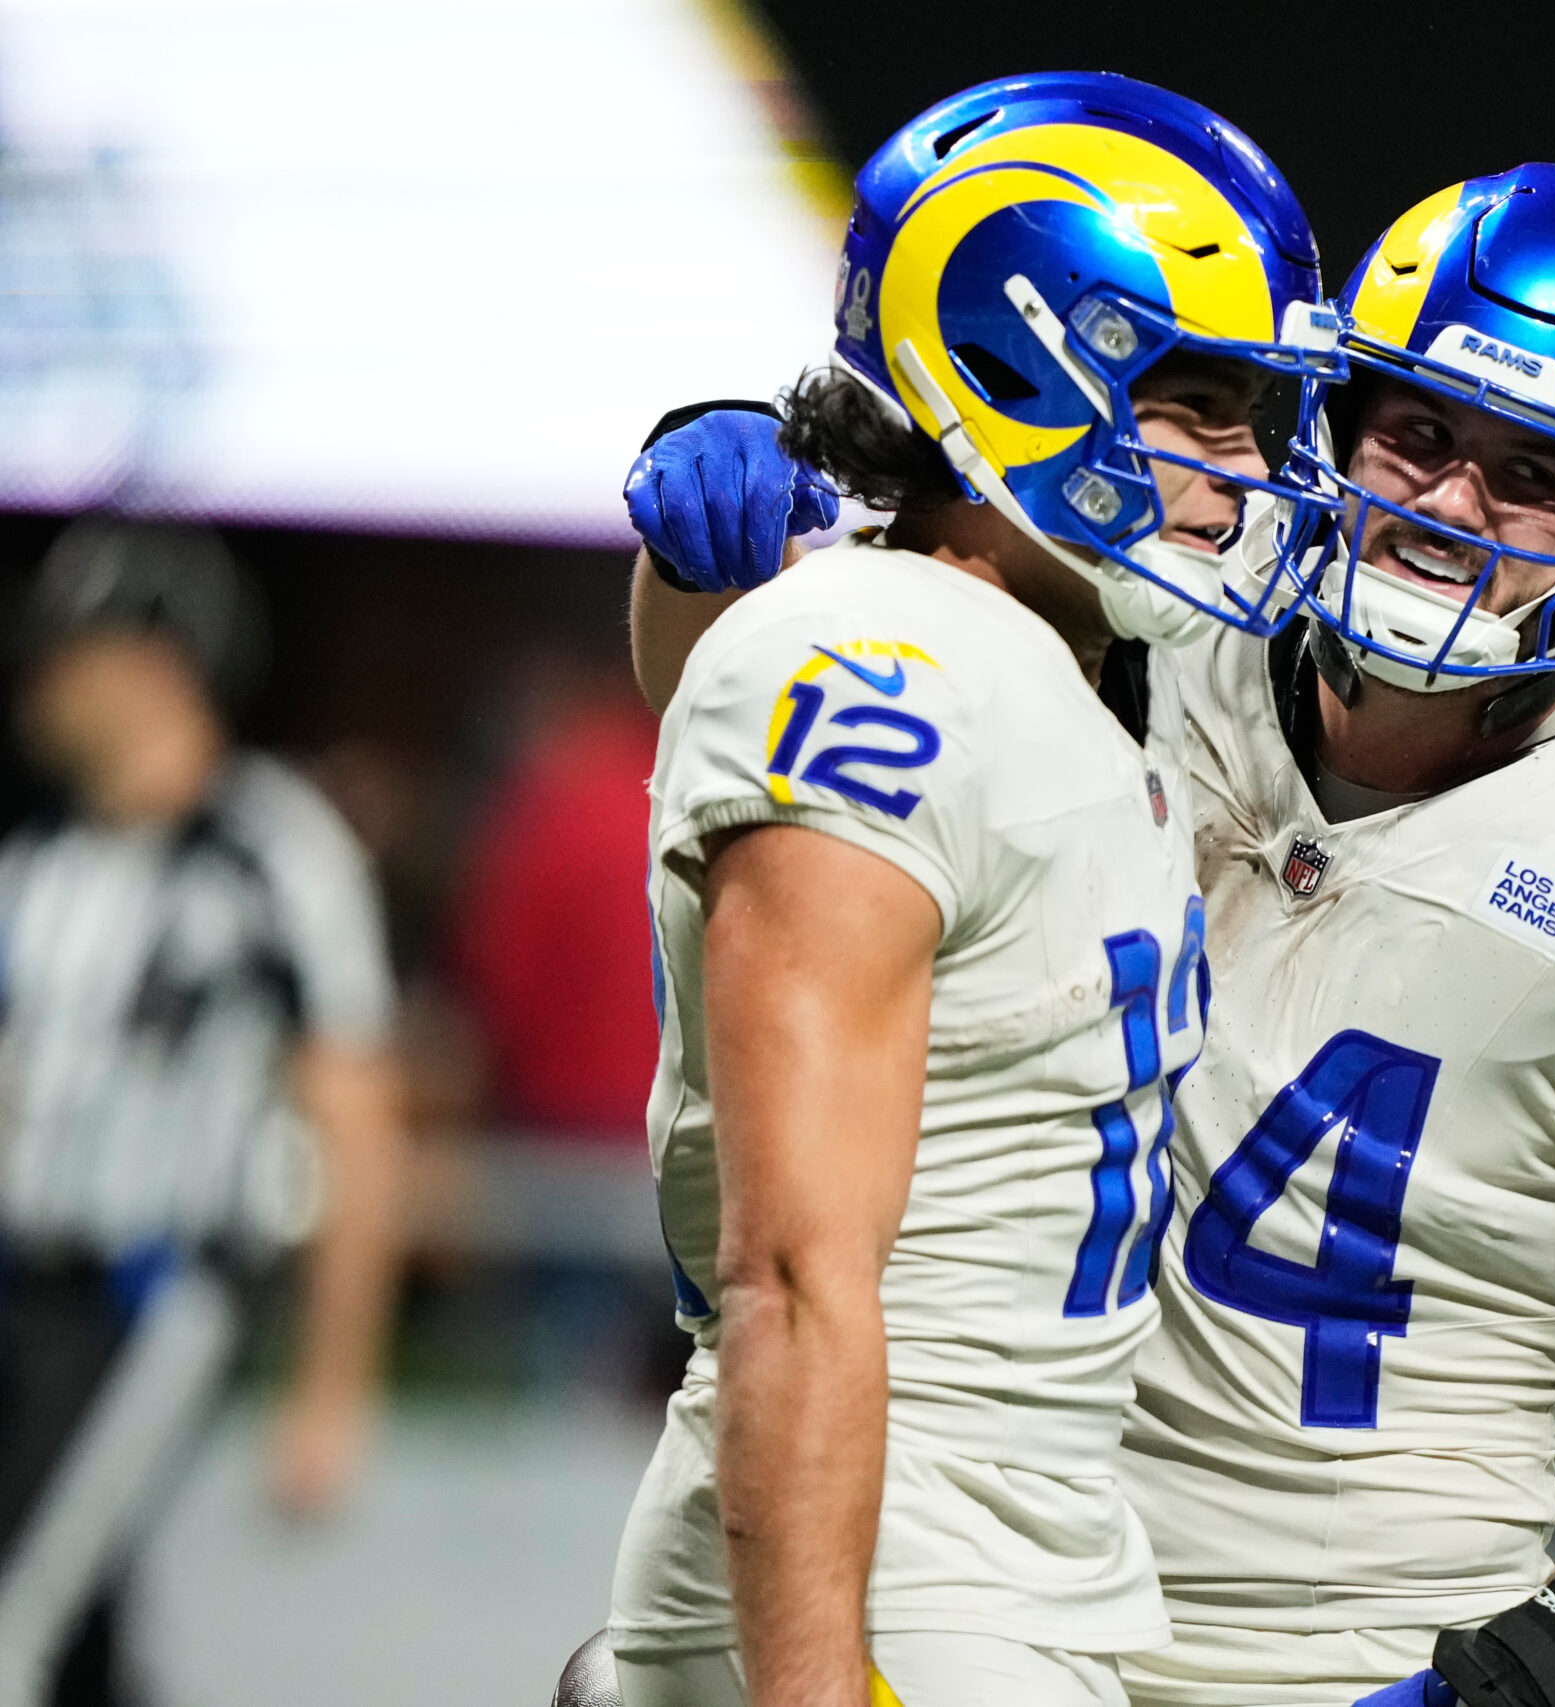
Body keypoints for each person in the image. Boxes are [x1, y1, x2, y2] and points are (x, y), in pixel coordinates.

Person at [627, 163, 1555, 1707]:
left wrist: (1527, 1664)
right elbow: (788, 754)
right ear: (1333, 417)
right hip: (975, 1576)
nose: (1448, 507)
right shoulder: (1152, 624)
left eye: (1530, 474)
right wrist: (707, 560)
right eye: (1419, 435)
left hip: (1339, 1654)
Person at [592, 74, 1344, 1707]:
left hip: (998, 1556)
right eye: (1200, 404)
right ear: (1021, 366)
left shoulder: (1048, 667)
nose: (1245, 472)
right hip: (887, 1567)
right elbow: (794, 1272)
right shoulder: (881, 658)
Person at [0, 518, 406, 1707]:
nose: (40, 681)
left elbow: (355, 1116)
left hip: (154, 1292)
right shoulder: (41, 860)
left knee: (13, 1612)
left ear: (152, 665)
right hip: (25, 1284)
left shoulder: (271, 849)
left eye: (68, 653)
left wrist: (334, 1381)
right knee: (73, 1630)